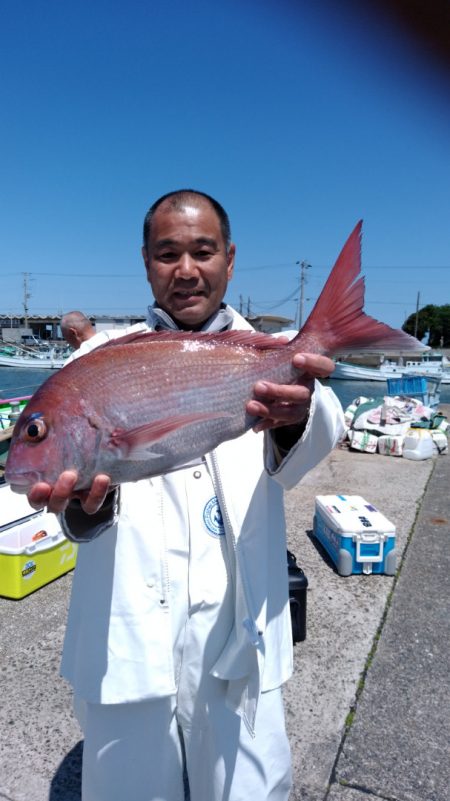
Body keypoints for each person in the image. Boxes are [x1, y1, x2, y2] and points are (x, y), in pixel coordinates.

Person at [28, 190, 344, 801]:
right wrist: (81, 509)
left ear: (230, 258)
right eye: (167, 253)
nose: (187, 269)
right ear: (146, 262)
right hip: (128, 630)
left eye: (203, 251)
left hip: (238, 623)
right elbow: (72, 505)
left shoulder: (274, 353)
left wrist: (293, 419)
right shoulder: (95, 360)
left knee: (248, 787)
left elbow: (321, 431)